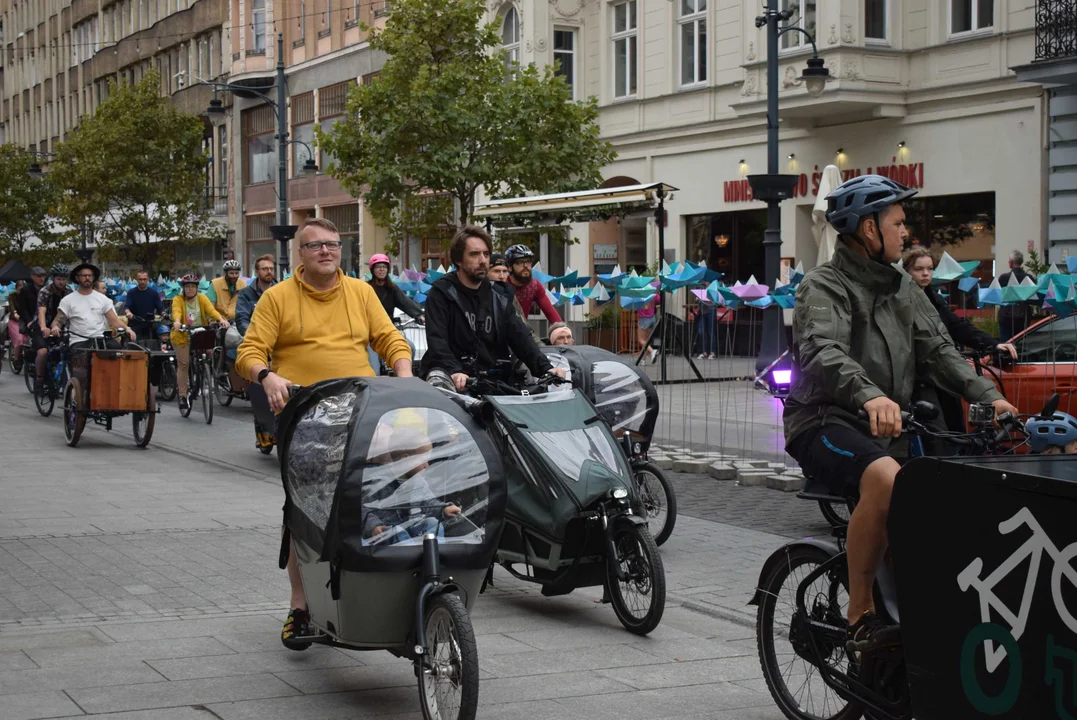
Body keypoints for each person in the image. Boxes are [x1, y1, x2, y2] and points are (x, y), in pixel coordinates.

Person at [784, 174, 1018, 655]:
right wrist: (869, 396)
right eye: (897, 223)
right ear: (869, 229)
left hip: (887, 427)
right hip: (824, 421)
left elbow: (939, 351)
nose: (905, 233)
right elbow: (822, 351)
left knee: (939, 504)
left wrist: (991, 396)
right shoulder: (822, 285)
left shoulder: (903, 289)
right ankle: (859, 614)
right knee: (887, 481)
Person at [235, 217, 413, 650]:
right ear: (301, 253)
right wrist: (269, 377)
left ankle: (393, 591)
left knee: (389, 493)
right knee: (303, 508)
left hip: (363, 410)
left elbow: (390, 339)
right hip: (304, 412)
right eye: (315, 246)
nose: (326, 252)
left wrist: (405, 377)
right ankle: (299, 607)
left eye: (333, 244)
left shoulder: (361, 291)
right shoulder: (277, 298)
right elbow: (249, 352)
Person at [422, 226, 562, 392]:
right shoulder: (442, 293)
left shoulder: (500, 295)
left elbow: (520, 336)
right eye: (474, 254)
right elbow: (437, 341)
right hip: (454, 383)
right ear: (458, 260)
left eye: (486, 254)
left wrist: (546, 368)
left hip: (493, 381)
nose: (483, 260)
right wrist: (454, 371)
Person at [903, 247, 1018, 437]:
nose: (925, 274)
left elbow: (958, 326)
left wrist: (992, 344)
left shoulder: (934, 298)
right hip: (918, 380)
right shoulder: (901, 299)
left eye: (930, 268)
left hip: (943, 372)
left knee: (955, 430)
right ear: (907, 270)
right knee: (934, 434)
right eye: (918, 269)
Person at [170, 274, 228, 413]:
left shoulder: (202, 298)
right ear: (183, 288)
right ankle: (183, 396)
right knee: (184, 364)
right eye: (187, 286)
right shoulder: (178, 299)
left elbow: (211, 310)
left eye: (193, 286)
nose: (190, 289)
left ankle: (205, 374)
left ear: (197, 288)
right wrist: (177, 322)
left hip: (198, 333)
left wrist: (221, 319)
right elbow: (176, 311)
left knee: (209, 353)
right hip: (182, 336)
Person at [48, 264, 136, 350]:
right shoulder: (68, 300)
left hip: (99, 339)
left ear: (93, 278)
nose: (87, 278)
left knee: (116, 350)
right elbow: (57, 321)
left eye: (90, 275)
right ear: (77, 278)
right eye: (84, 275)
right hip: (79, 341)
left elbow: (115, 320)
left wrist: (127, 329)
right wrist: (55, 327)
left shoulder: (103, 299)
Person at [33, 264, 72, 394]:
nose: (62, 282)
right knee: (43, 352)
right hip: (42, 326)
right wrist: (44, 327)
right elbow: (41, 311)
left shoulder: (69, 292)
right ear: (53, 279)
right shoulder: (45, 291)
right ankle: (39, 379)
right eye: (59, 279)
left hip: (61, 327)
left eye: (64, 279)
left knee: (69, 350)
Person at [504, 244, 562, 325]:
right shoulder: (502, 285)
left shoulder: (534, 286)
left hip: (522, 331)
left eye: (528, 261)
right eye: (520, 262)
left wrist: (562, 331)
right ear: (509, 267)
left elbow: (553, 315)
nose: (526, 266)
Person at [490, 252, 538, 342]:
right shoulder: (480, 295)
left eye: (505, 271)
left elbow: (525, 328)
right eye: (496, 271)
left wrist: (542, 349)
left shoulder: (510, 296)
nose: (501, 276)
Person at [367, 254, 424, 324]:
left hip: (387, 326)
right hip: (369, 325)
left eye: (384, 267)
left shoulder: (392, 288)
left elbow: (405, 302)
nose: (382, 269)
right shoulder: (366, 287)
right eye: (378, 267)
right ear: (372, 270)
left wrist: (419, 315)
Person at [997, 249, 1035, 342]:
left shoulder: (1003, 278)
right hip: (1023, 315)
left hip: (1006, 315)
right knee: (1021, 342)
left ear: (1011, 262)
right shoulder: (1028, 278)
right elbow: (1033, 296)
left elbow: (998, 295)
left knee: (1006, 343)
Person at [235, 254, 276, 336]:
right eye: (265, 269)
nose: (269, 271)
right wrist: (253, 336)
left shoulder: (281, 291)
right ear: (257, 271)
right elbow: (242, 319)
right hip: (256, 339)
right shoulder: (246, 293)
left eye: (271, 268)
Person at [124, 270, 167, 344]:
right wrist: (128, 313)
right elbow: (127, 306)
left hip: (150, 323)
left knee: (163, 335)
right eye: (140, 279)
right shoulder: (131, 293)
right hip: (135, 323)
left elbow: (160, 308)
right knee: (132, 341)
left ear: (148, 280)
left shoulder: (154, 293)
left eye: (144, 279)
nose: (142, 281)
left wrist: (164, 314)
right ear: (137, 280)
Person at [6, 280, 28, 371]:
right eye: (20, 289)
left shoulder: (27, 296)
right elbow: (11, 306)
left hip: (25, 320)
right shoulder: (12, 296)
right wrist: (14, 313)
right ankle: (16, 359)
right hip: (15, 320)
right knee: (19, 338)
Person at [637, 292, 659, 364]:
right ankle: (643, 359)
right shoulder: (654, 294)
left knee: (641, 340)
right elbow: (659, 300)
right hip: (652, 318)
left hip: (644, 319)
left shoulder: (640, 294)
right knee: (646, 341)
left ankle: (652, 351)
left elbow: (644, 307)